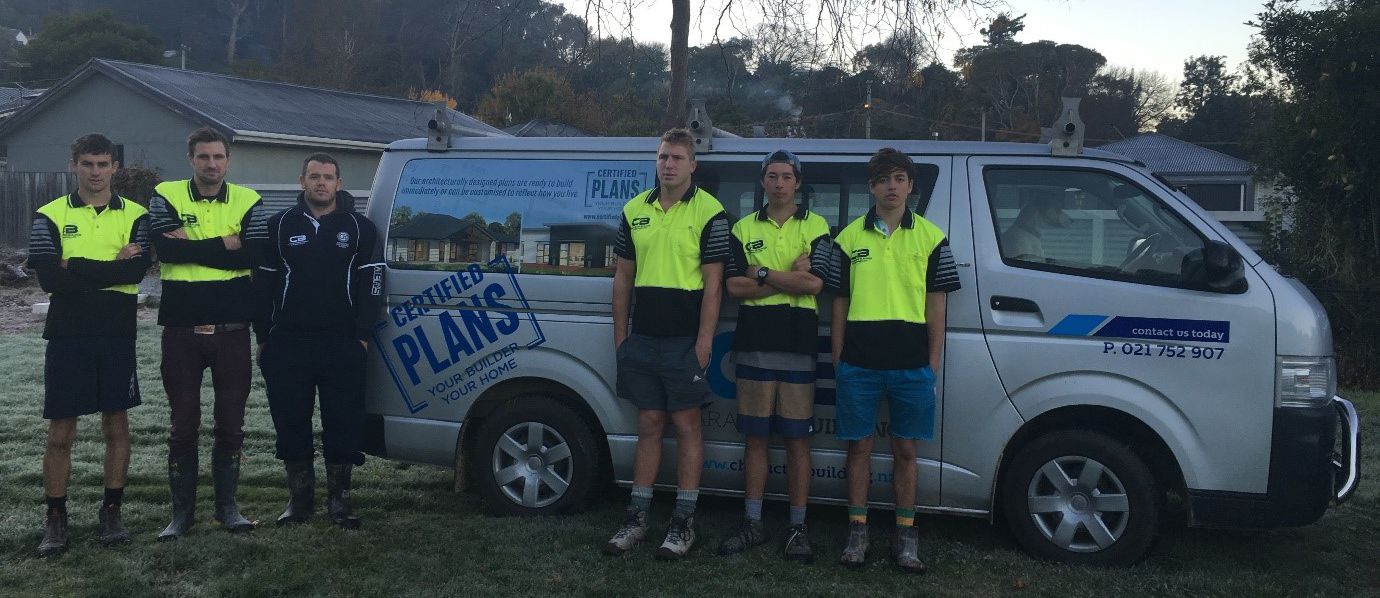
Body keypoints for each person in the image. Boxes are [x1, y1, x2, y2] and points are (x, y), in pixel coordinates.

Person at [827, 148, 961, 572]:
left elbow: (937, 305)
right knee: (859, 448)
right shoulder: (847, 238)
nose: (891, 186)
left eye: (899, 178)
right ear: (871, 187)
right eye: (883, 179)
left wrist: (933, 360)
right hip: (859, 363)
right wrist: (838, 356)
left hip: (912, 363)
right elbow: (839, 303)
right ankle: (857, 532)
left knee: (906, 449)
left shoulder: (932, 238)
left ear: (910, 186)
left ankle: (906, 537)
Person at [603, 128, 732, 560]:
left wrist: (704, 341)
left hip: (684, 341)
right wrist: (621, 338)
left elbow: (714, 285)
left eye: (677, 157)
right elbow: (623, 278)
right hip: (642, 339)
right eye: (663, 157)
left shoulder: (711, 211)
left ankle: (683, 523)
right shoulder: (634, 209)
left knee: (687, 425)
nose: (669, 164)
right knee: (649, 424)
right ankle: (637, 518)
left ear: (693, 164)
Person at [27, 133, 150, 556]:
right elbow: (49, 278)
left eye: (103, 164)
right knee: (61, 431)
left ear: (115, 167)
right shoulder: (48, 214)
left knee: (116, 426)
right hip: (68, 334)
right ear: (74, 165)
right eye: (87, 164)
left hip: (116, 333)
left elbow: (135, 273)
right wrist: (111, 267)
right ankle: (56, 518)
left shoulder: (137, 214)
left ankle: (111, 512)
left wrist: (74, 263)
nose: (95, 172)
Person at [148, 126, 268, 540]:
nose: (211, 164)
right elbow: (167, 250)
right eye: (204, 156)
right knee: (183, 424)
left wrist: (195, 246)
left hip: (232, 331)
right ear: (191, 159)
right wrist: (226, 244)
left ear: (228, 161)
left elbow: (255, 254)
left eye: (218, 157)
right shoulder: (165, 194)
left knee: (231, 424)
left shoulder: (249, 199)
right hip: (181, 330)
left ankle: (227, 509)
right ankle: (181, 515)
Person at [254, 153, 383, 529]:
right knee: (291, 421)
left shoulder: (360, 228)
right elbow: (262, 284)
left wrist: (362, 335)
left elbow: (374, 282)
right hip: (288, 343)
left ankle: (340, 501)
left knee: (342, 421)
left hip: (342, 343)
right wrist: (263, 335)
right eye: (314, 176)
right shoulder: (279, 225)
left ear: (339, 184)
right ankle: (300, 500)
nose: (321, 183)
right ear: (302, 181)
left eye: (328, 177)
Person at [717, 150, 831, 562]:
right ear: (762, 181)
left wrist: (763, 272)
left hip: (799, 344)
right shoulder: (743, 227)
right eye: (772, 176)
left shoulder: (817, 225)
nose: (779, 183)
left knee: (798, 441)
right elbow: (734, 288)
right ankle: (753, 523)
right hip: (754, 343)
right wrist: (791, 277)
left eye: (786, 176)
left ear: (798, 182)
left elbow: (815, 285)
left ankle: (797, 528)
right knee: (756, 439)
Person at [1000, 189, 1068, 261]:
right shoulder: (1019, 241)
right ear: (1042, 210)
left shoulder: (1026, 236)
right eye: (1057, 210)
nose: (1061, 214)